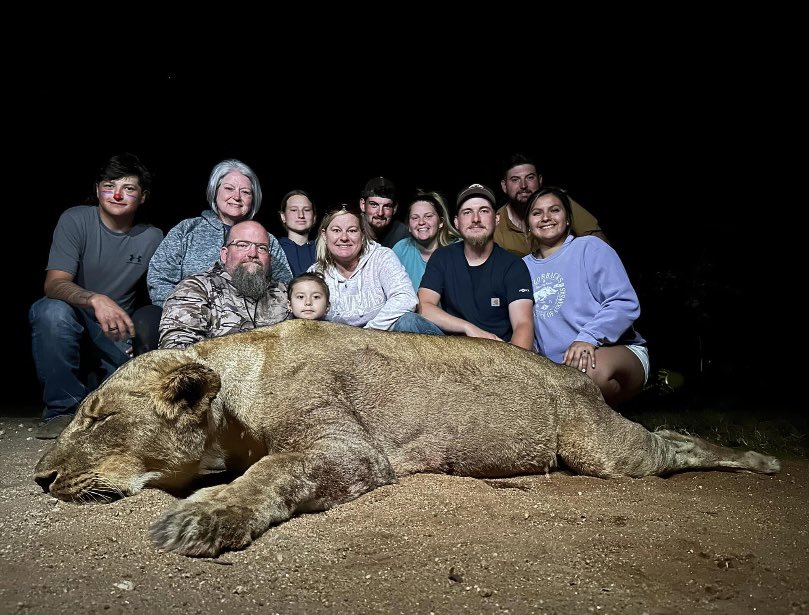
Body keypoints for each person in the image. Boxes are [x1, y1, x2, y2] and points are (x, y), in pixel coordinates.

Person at [29, 153, 164, 439]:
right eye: (109, 185)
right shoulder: (76, 219)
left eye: (128, 188)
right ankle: (60, 410)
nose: (116, 194)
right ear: (97, 189)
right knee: (50, 311)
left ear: (142, 197)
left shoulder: (152, 237)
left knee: (124, 411)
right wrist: (95, 299)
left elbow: (161, 289)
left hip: (115, 336)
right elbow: (54, 284)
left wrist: (140, 338)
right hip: (73, 323)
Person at [144, 159, 293, 348]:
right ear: (215, 191)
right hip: (191, 319)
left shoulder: (267, 239)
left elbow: (285, 285)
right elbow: (159, 277)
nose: (237, 196)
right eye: (229, 188)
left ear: (253, 199)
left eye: (245, 192)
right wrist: (184, 311)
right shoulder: (187, 230)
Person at [522, 186, 648, 407]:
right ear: (528, 224)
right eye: (537, 213)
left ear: (568, 218)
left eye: (554, 210)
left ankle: (619, 411)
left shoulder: (590, 248)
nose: (546, 218)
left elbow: (624, 303)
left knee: (585, 375)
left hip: (609, 352)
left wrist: (587, 337)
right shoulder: (521, 268)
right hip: (557, 366)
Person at [418, 184, 534, 349]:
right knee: (409, 322)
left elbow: (523, 324)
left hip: (497, 351)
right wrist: (469, 328)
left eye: (484, 211)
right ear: (457, 222)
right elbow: (424, 307)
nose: (476, 219)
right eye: (467, 212)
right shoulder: (442, 257)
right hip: (453, 349)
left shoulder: (513, 265)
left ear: (497, 219)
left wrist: (512, 368)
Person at [308, 205, 442, 334]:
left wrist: (369, 333)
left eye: (352, 230)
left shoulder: (381, 257)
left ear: (362, 234)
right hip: (340, 348)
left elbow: (406, 298)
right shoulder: (316, 274)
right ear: (325, 235)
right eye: (336, 230)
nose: (344, 237)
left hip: (384, 341)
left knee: (409, 321)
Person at [158, 221, 289, 349]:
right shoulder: (196, 288)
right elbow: (176, 352)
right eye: (242, 245)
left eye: (262, 248)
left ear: (270, 259)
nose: (253, 254)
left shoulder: (285, 293)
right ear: (224, 254)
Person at [494, 152, 608, 257]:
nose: (523, 185)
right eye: (515, 179)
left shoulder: (560, 203)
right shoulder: (496, 222)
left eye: (530, 177)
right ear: (504, 186)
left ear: (540, 180)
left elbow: (598, 241)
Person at [392, 190, 461, 290]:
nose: (421, 222)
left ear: (441, 222)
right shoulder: (401, 250)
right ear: (409, 227)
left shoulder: (459, 248)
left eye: (428, 216)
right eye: (415, 218)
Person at [358, 176, 409, 248]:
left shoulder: (402, 234)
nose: (380, 213)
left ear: (394, 208)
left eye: (387, 206)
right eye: (374, 205)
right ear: (363, 205)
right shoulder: (351, 228)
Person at [278, 189, 317, 276]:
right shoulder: (274, 248)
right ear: (283, 216)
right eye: (294, 210)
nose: (301, 215)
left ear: (314, 217)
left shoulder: (324, 249)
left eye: (306, 210)